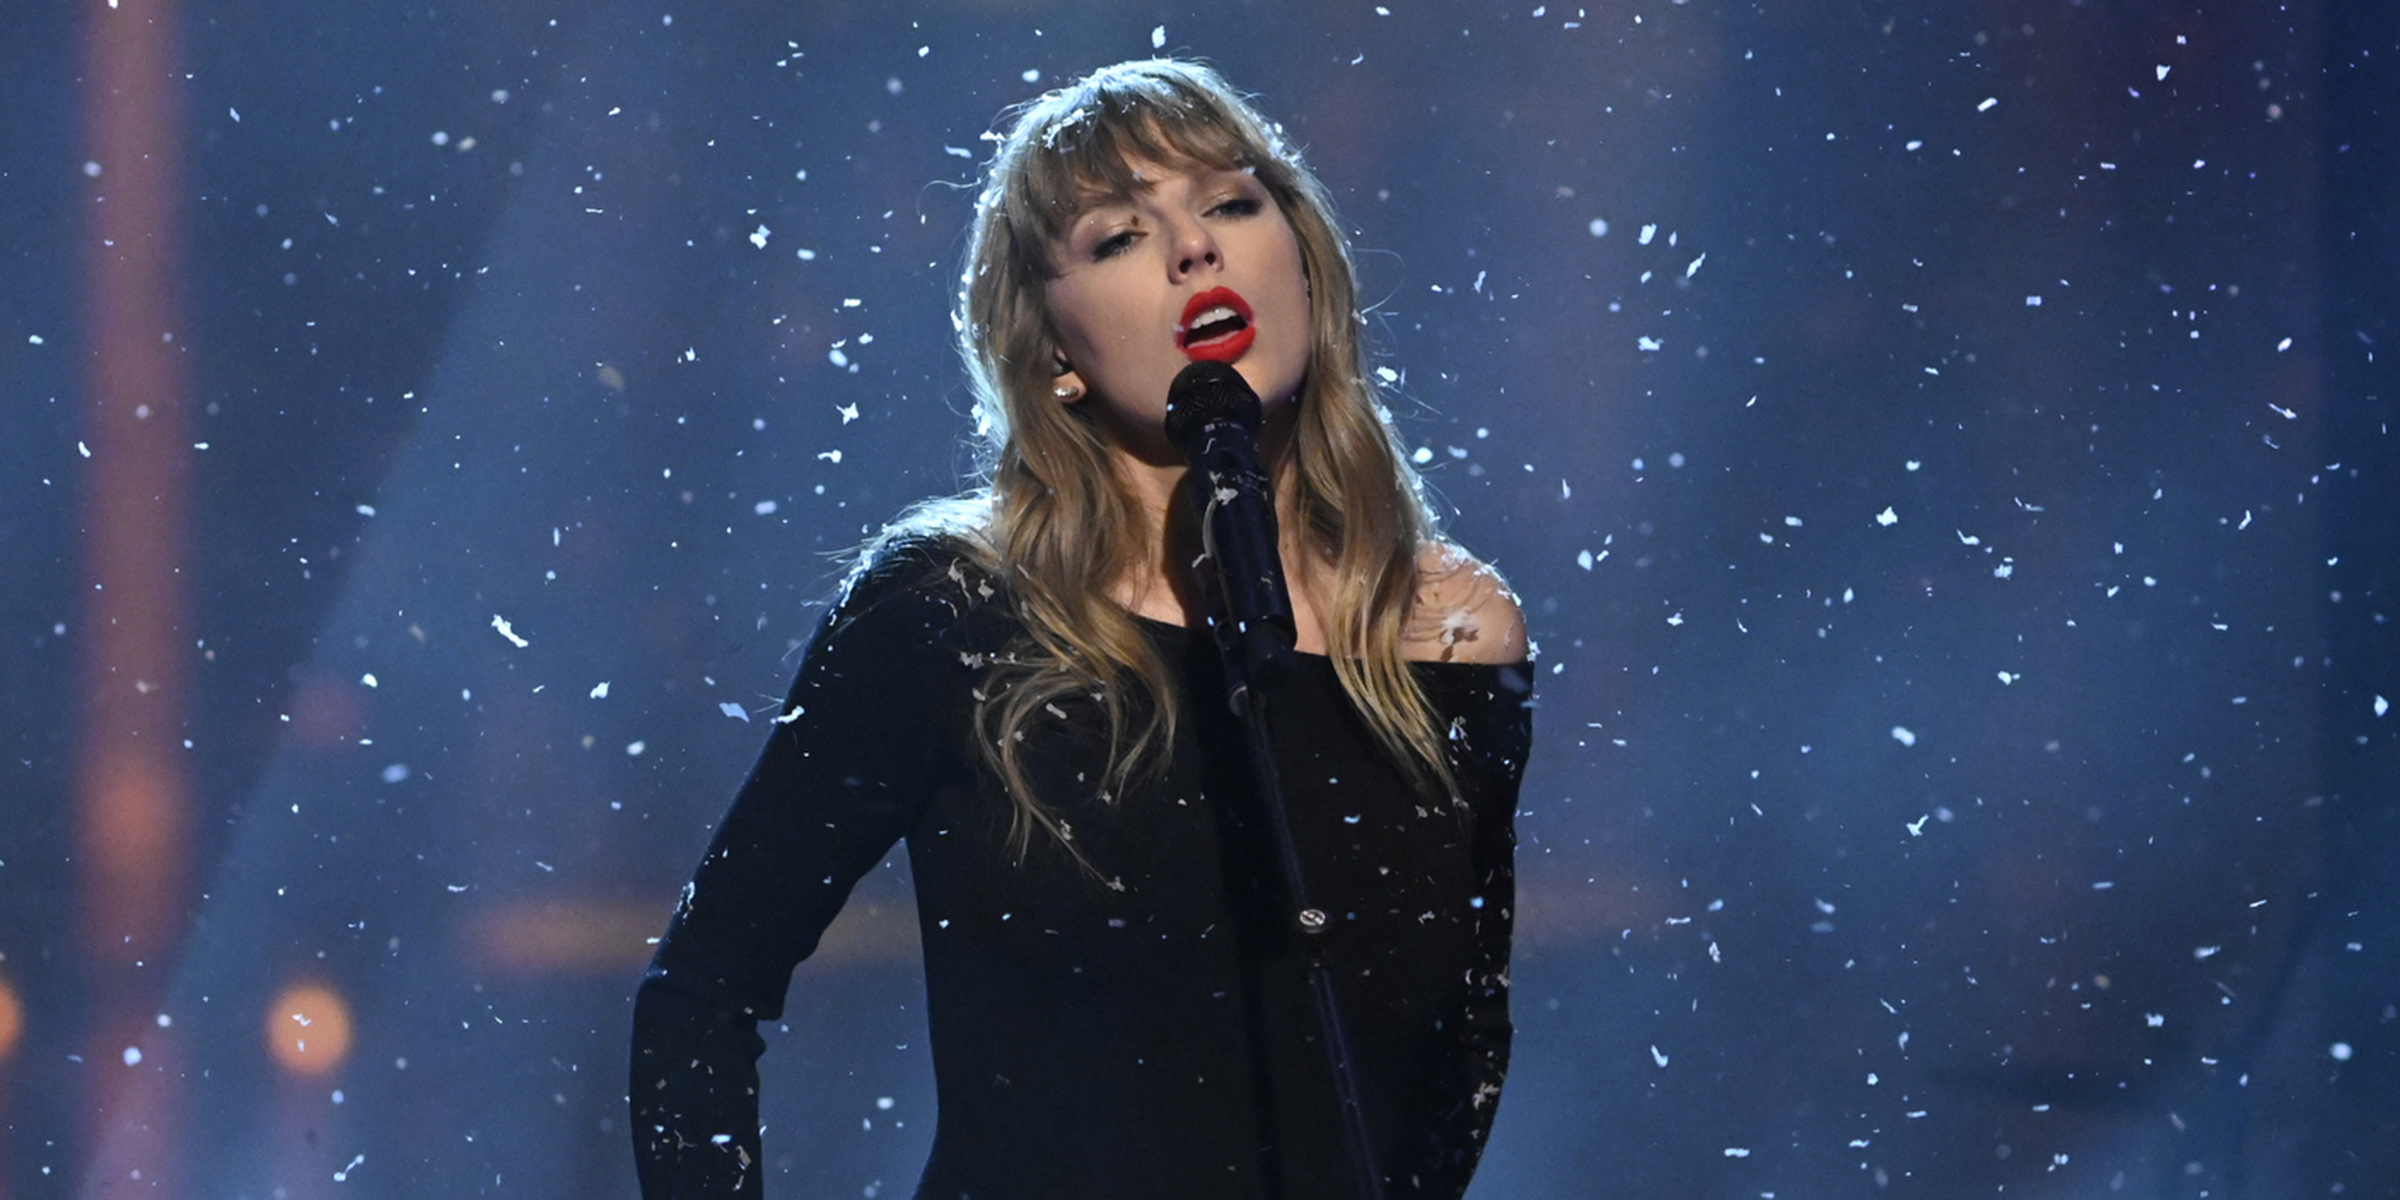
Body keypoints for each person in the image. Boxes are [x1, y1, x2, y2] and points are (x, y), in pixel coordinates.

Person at [630, 59, 1534, 1200]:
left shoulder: (1450, 634)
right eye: (1119, 237)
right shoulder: (951, 613)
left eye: (1229, 202)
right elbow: (703, 995)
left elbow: (1458, 1057)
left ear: (1304, 260)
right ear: (1053, 350)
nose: (1193, 248)